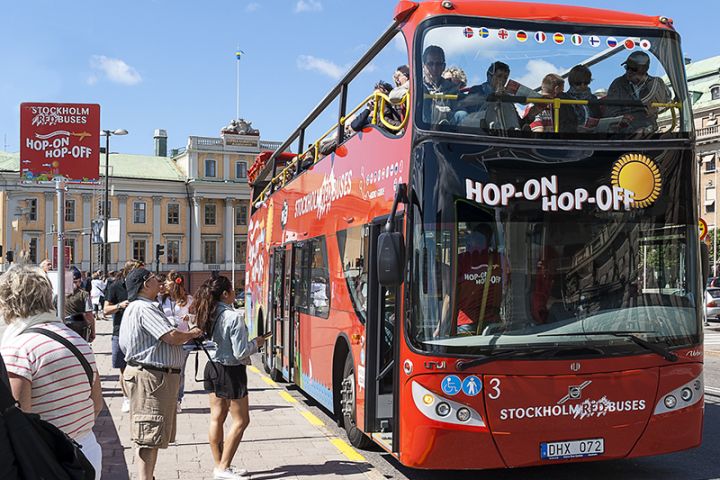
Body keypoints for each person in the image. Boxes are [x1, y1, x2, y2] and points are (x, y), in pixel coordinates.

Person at [0, 264, 104, 478]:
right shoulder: (75, 339)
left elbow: (20, 423)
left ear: (8, 301)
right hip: (86, 451)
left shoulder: (18, 348)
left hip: (48, 458)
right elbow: (97, 403)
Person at [119, 267, 204, 480]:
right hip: (151, 378)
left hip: (153, 376)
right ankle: (145, 478)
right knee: (149, 430)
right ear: (145, 285)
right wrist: (193, 332)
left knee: (150, 431)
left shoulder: (141, 307)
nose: (160, 282)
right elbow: (171, 337)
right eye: (156, 279)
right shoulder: (144, 308)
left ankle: (147, 476)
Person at [193, 276, 265, 480]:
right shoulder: (234, 317)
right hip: (231, 371)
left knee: (217, 417)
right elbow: (241, 352)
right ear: (225, 294)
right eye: (233, 290)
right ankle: (223, 467)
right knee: (241, 420)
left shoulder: (208, 312)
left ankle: (220, 465)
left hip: (212, 367)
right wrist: (257, 343)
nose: (235, 292)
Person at [104, 260, 142, 413]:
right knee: (123, 369)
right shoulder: (115, 286)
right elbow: (106, 310)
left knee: (139, 368)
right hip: (119, 332)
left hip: (138, 333)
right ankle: (126, 398)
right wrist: (120, 306)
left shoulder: (142, 287)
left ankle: (137, 397)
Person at [454, 61, 533, 130]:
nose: (502, 80)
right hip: (480, 127)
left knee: (506, 104)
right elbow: (472, 113)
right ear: (489, 76)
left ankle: (514, 133)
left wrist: (532, 114)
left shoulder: (506, 97)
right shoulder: (477, 90)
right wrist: (494, 97)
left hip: (505, 132)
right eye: (499, 76)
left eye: (505, 77)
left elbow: (516, 121)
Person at [606, 51, 671, 134]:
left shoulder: (656, 84)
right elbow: (610, 112)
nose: (628, 71)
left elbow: (668, 104)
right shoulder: (618, 84)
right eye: (627, 67)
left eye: (633, 69)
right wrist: (622, 118)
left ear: (643, 70)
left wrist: (655, 110)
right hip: (624, 134)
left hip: (648, 132)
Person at [159, 270, 194, 412]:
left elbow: (196, 317)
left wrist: (190, 317)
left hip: (183, 339)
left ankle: (177, 400)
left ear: (175, 283)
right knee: (165, 370)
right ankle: (167, 398)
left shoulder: (189, 299)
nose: (165, 284)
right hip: (166, 338)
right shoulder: (161, 299)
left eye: (168, 281)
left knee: (179, 371)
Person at [421, 45, 458, 124]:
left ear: (443, 67)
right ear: (423, 66)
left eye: (438, 64)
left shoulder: (452, 89)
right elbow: (394, 95)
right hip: (423, 132)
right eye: (430, 64)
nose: (434, 68)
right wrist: (409, 84)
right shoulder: (417, 86)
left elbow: (460, 112)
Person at [566, 64, 601, 131]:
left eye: (586, 82)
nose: (582, 86)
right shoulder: (565, 99)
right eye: (578, 83)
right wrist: (576, 128)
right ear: (572, 82)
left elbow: (599, 119)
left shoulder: (593, 98)